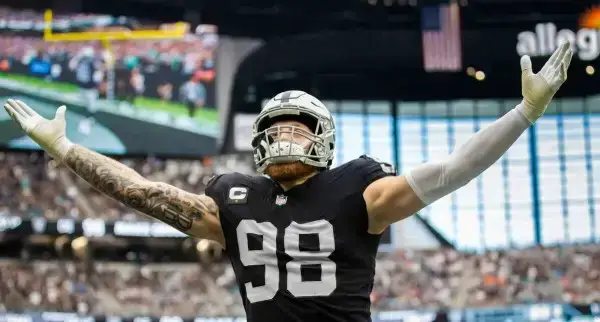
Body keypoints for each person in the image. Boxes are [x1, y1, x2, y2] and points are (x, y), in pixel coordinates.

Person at [3, 42, 573, 321]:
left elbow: (453, 170)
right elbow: (140, 193)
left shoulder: (362, 191)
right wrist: (67, 149)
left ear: (322, 137)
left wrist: (522, 114)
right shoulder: (234, 198)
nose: (284, 137)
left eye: (297, 129)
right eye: (276, 128)